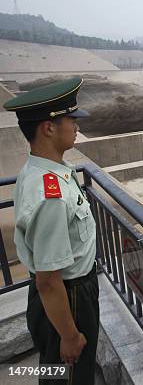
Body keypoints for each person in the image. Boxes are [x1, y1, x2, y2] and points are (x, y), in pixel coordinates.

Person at [3, 78, 98, 385]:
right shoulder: (51, 195)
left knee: (55, 371)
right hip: (68, 297)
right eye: (71, 120)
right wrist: (69, 335)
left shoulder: (38, 171)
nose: (76, 127)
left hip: (64, 296)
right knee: (71, 374)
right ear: (48, 128)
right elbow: (47, 280)